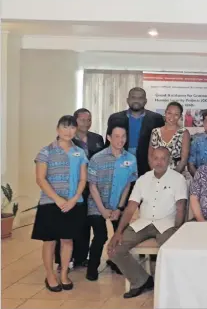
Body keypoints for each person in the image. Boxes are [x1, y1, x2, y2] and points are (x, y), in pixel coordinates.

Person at [107, 147, 187, 298]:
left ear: (169, 160)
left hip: (167, 224)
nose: (159, 162)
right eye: (156, 158)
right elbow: (131, 208)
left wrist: (178, 230)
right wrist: (118, 232)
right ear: (150, 160)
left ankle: (173, 286)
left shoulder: (178, 179)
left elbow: (181, 207)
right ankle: (141, 280)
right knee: (114, 250)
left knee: (171, 251)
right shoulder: (143, 179)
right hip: (142, 223)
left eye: (163, 158)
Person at [32, 115, 88, 292]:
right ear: (57, 129)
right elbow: (40, 179)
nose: (68, 131)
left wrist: (73, 200)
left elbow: (82, 179)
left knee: (67, 240)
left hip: (72, 204)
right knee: (49, 242)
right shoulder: (46, 151)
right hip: (50, 203)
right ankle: (50, 275)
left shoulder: (80, 152)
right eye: (64, 127)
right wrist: (58, 199)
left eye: (72, 127)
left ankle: (64, 273)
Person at [86, 121, 137, 281]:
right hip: (97, 204)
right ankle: (92, 268)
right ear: (108, 137)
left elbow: (128, 184)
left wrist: (120, 208)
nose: (120, 140)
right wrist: (102, 210)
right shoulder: (97, 158)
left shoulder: (131, 159)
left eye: (123, 136)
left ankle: (116, 263)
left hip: (118, 204)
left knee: (120, 234)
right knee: (100, 236)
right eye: (116, 136)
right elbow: (92, 186)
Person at [54, 108, 105, 270]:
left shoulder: (97, 138)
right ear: (75, 121)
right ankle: (62, 260)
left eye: (89, 120)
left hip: (91, 187)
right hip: (71, 187)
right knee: (66, 224)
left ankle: (81, 257)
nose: (86, 123)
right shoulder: (66, 138)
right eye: (82, 120)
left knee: (84, 224)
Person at [106, 87, 165, 177]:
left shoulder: (156, 119)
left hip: (146, 164)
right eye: (133, 97)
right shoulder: (115, 118)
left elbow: (160, 145)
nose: (136, 100)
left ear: (145, 101)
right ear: (128, 100)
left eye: (140, 98)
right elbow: (108, 144)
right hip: (120, 162)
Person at [149, 101, 191, 177]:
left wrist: (172, 177)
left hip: (177, 176)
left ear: (180, 116)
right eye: (169, 113)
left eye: (176, 114)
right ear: (165, 113)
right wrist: (156, 174)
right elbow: (150, 156)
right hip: (156, 175)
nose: (172, 117)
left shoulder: (184, 133)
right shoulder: (155, 132)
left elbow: (184, 160)